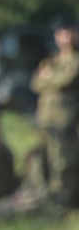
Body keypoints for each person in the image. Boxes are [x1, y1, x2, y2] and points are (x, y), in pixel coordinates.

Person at [28, 23, 79, 212]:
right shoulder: (50, 60)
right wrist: (50, 79)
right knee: (42, 156)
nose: (65, 37)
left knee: (63, 160)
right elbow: (35, 83)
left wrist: (48, 79)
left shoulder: (75, 60)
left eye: (69, 32)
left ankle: (63, 199)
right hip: (45, 118)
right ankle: (44, 195)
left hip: (65, 118)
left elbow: (66, 81)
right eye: (60, 33)